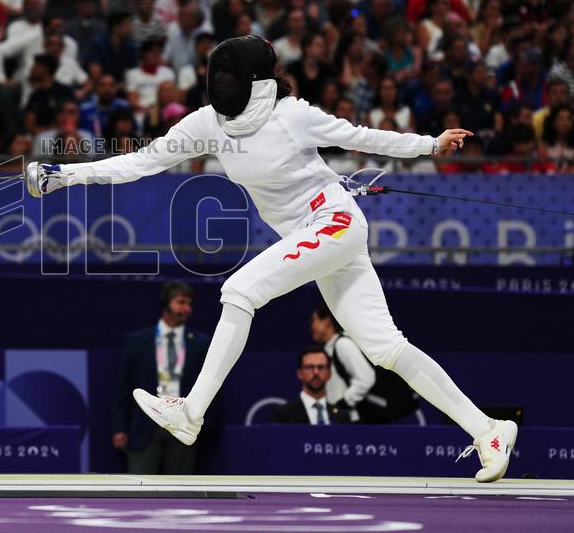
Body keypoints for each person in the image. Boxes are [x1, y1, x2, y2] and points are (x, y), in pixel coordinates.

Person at [27, 34, 517, 483]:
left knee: (239, 290)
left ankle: (191, 411)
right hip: (317, 236)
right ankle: (489, 430)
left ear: (255, 83)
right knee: (385, 349)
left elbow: (361, 136)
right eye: (218, 75)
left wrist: (429, 143)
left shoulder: (293, 115)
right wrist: (64, 176)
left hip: (335, 222)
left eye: (230, 76)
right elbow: (140, 162)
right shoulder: (207, 123)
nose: (221, 84)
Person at [112, 283, 213, 474]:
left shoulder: (200, 343)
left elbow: (211, 389)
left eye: (189, 304)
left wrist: (204, 427)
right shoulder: (136, 341)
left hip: (182, 425)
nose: (186, 309)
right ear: (166, 304)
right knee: (140, 490)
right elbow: (122, 388)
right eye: (180, 302)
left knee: (179, 492)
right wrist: (120, 428)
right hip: (144, 424)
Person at [310, 302, 374, 421]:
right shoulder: (329, 347)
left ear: (327, 321)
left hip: (349, 420)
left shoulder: (343, 345)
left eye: (314, 320)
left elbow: (367, 378)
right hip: (336, 418)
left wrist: (343, 404)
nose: (312, 326)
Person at [270, 347, 352, 424]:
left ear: (329, 373)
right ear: (300, 373)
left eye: (321, 367)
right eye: (309, 367)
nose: (316, 372)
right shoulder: (283, 414)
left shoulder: (342, 416)